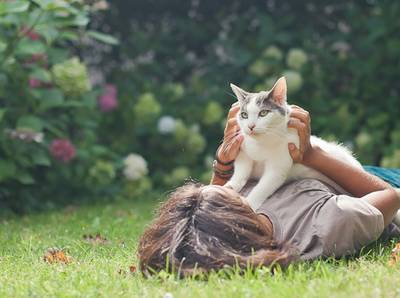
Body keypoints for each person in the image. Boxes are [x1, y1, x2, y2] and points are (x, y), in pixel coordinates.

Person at [138, 104, 400, 277]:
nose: (215, 184)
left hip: (322, 169)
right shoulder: (327, 224)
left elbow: (215, 195)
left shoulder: (230, 212)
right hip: (365, 180)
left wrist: (223, 164)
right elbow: (391, 196)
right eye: (216, 189)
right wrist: (311, 154)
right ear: (232, 220)